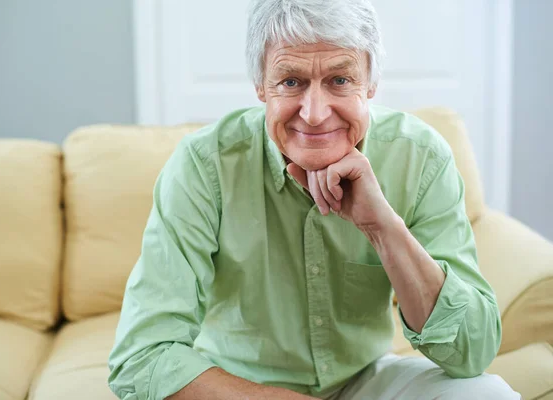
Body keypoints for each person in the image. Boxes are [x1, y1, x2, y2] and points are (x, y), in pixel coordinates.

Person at [108, 0, 520, 399]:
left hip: (365, 380)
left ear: (371, 84)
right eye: (291, 81)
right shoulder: (203, 165)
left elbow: (472, 353)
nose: (316, 113)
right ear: (260, 86)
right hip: (237, 387)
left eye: (340, 80)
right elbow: (142, 358)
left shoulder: (420, 155)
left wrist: (382, 227)